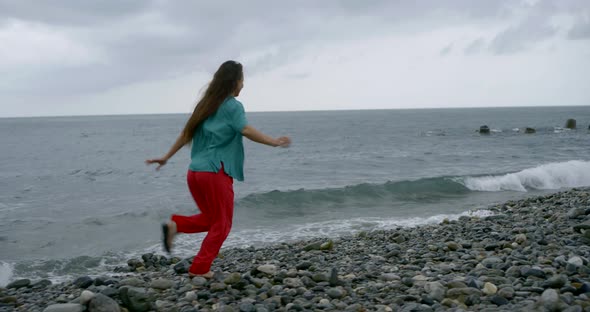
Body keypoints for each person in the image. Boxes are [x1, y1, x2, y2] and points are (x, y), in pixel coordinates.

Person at [145, 60, 290, 278]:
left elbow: (186, 135)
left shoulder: (205, 105)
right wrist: (274, 142)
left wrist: (166, 157)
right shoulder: (232, 105)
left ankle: (176, 225)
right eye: (242, 80)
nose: (243, 85)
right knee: (222, 225)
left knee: (212, 219)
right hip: (215, 172)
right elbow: (246, 130)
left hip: (195, 173)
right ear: (235, 82)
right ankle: (200, 268)